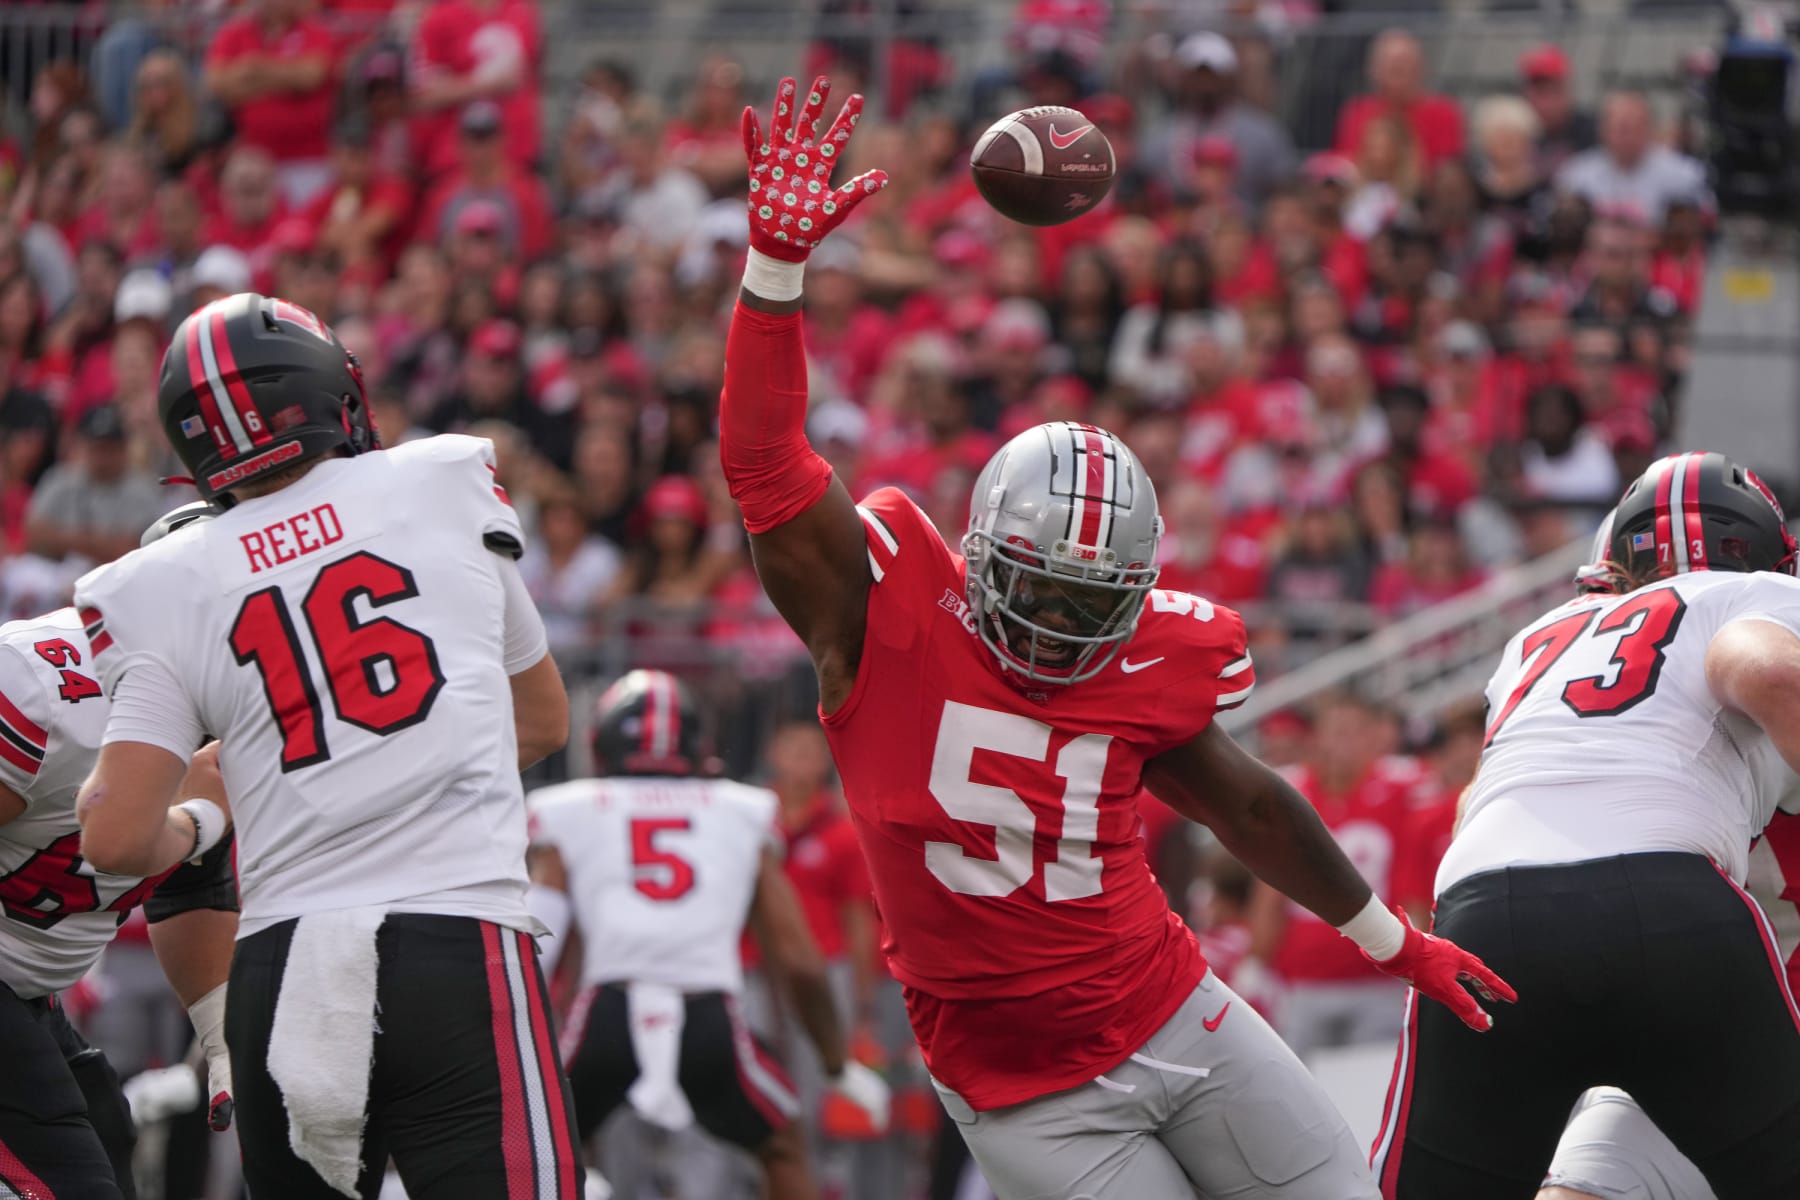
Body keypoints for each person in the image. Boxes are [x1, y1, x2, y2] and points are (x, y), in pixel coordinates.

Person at [719, 74, 1512, 1199]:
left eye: (1091, 605)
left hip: (1173, 1005)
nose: (1056, 628)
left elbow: (1245, 802)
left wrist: (1398, 942)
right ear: (979, 551)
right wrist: (775, 276)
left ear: (1139, 590)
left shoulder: (1150, 662)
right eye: (1039, 593)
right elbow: (763, 467)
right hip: (1023, 1087)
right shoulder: (880, 604)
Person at [70, 293, 583, 1197]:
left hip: (279, 967)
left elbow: (111, 838)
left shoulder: (158, 580)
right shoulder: (439, 479)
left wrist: (209, 819)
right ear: (330, 392)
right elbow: (542, 720)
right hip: (458, 940)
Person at [1372, 451, 1800, 1198]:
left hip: (1486, 914)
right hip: (1681, 926)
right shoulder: (1748, 605)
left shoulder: (1545, 638)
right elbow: (1772, 673)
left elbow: (1478, 805)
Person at [525, 670, 889, 1199]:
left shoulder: (569, 809)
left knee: (535, 1147)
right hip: (708, 1016)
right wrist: (835, 1064)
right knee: (782, 1146)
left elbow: (539, 945)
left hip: (606, 1010)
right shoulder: (741, 810)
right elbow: (798, 959)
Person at [1, 503, 238, 1198]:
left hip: (26, 994)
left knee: (108, 1135)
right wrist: (197, 819)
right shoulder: (47, 690)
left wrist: (223, 1039)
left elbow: (187, 881)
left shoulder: (232, 713)